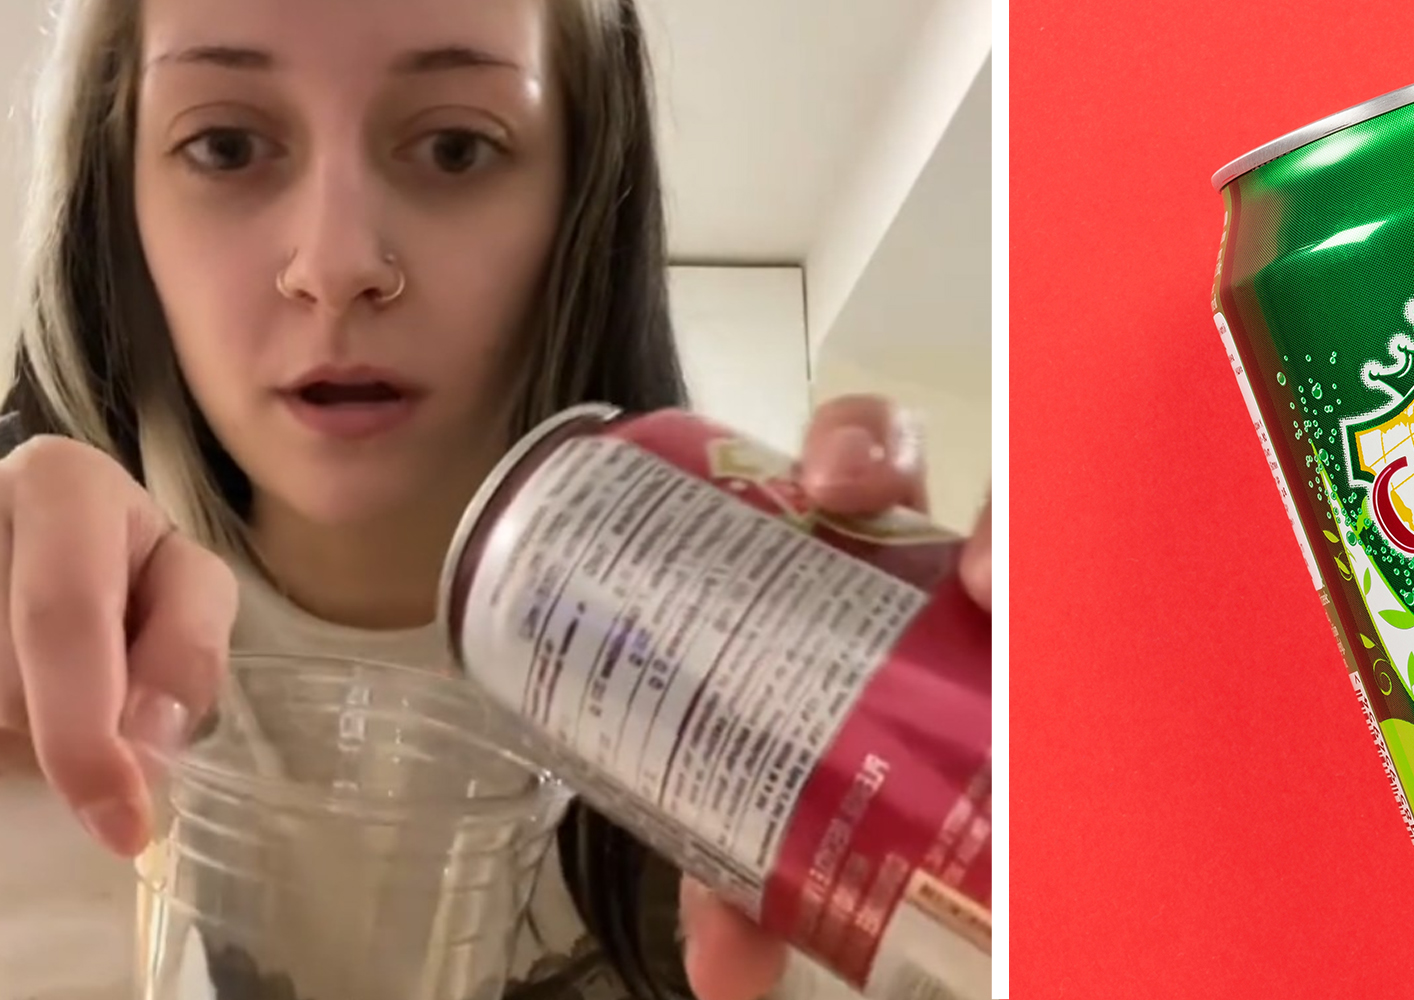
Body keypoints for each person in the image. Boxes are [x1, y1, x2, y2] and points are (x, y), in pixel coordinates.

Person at [0, 0, 992, 998]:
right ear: (117, 204)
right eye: (224, 144)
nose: (338, 265)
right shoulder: (35, 692)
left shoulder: (785, 797)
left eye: (455, 148)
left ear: (582, 200)